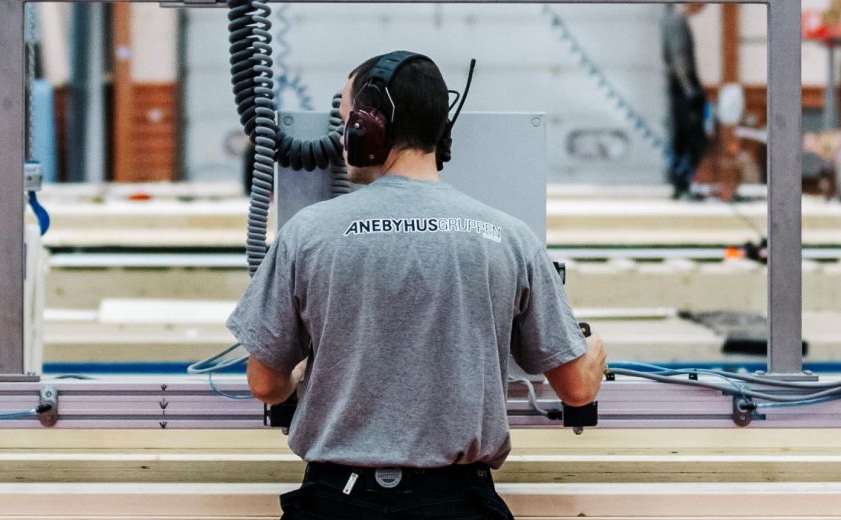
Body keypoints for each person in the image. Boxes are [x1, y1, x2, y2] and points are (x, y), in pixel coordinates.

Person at [226, 51, 608, 519]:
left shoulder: (307, 234)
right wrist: (593, 348)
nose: (341, 137)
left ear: (370, 128)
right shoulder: (509, 238)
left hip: (336, 501)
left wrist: (306, 377)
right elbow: (577, 391)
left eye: (346, 121)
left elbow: (265, 385)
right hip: (459, 502)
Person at [661, 3, 708, 199]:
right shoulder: (677, 21)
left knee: (684, 137)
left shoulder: (674, 19)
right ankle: (681, 183)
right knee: (690, 137)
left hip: (683, 86)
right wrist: (690, 90)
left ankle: (682, 183)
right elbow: (679, 58)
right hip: (683, 87)